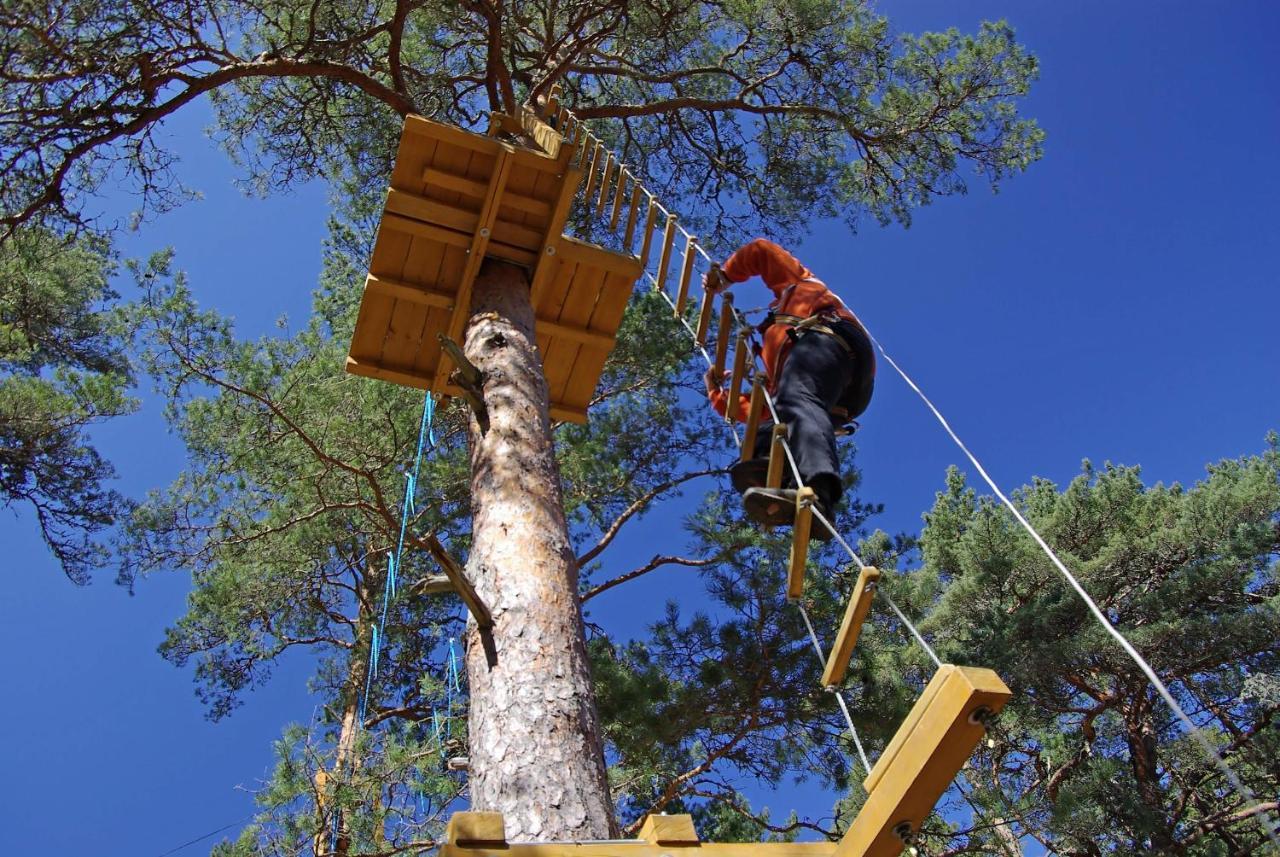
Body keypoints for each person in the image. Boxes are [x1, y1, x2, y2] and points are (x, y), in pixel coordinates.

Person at [702, 238, 875, 537]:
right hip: (841, 395)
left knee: (794, 400)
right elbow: (756, 409)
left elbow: (760, 250)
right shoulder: (782, 373)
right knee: (781, 411)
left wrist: (726, 276)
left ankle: (819, 491)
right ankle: (782, 476)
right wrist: (717, 393)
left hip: (829, 337)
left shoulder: (798, 287)